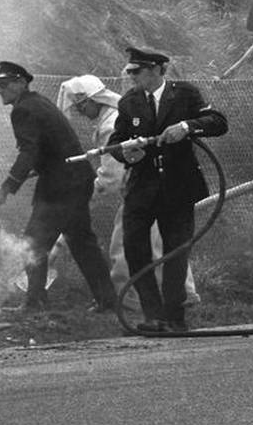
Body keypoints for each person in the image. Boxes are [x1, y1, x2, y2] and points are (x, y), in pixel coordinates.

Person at [48, 75, 199, 306]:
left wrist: (89, 189)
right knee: (162, 245)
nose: (80, 112)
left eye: (81, 107)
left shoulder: (110, 125)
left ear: (91, 101)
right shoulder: (116, 116)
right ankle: (185, 295)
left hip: (142, 192)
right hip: (156, 188)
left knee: (124, 247)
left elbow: (113, 175)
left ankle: (128, 300)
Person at [107, 48, 227, 332]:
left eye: (138, 71)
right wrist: (128, 153)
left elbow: (218, 122)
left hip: (178, 187)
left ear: (159, 69)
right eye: (131, 72)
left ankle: (173, 317)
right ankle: (153, 314)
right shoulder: (129, 102)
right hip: (141, 189)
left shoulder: (185, 94)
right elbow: (117, 142)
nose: (133, 77)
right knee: (135, 249)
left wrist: (186, 127)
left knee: (176, 252)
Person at [0, 61, 117, 313]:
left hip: (61, 186)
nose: (0, 90)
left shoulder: (22, 110)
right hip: (75, 180)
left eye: (4, 84)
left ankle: (35, 301)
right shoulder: (38, 103)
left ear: (21, 83)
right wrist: (30, 171)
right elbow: (47, 148)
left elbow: (28, 152)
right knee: (82, 242)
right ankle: (107, 300)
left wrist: (7, 187)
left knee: (33, 243)